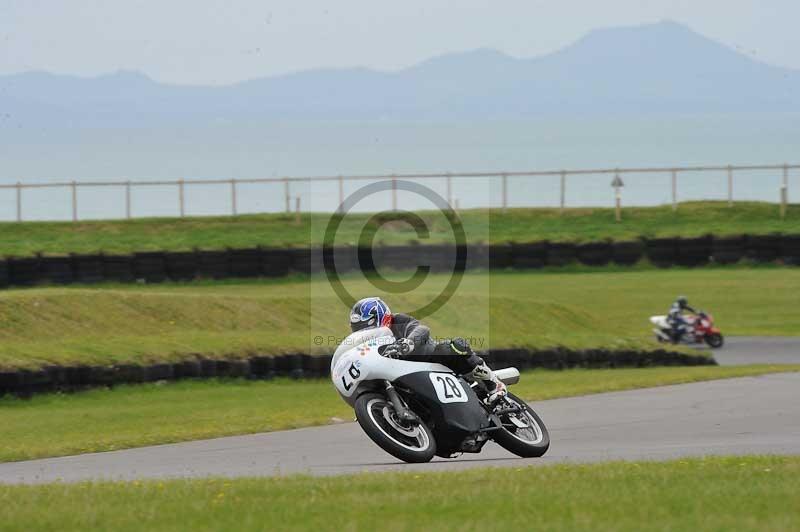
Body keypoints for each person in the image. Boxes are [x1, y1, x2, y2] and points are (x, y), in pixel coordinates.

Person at [348, 296, 507, 403]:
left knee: (453, 346)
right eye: (358, 328)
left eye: (365, 326)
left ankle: (492, 382)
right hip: (405, 376)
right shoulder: (366, 341)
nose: (363, 331)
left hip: (429, 360)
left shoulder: (399, 320)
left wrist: (408, 343)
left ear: (381, 316)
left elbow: (421, 329)